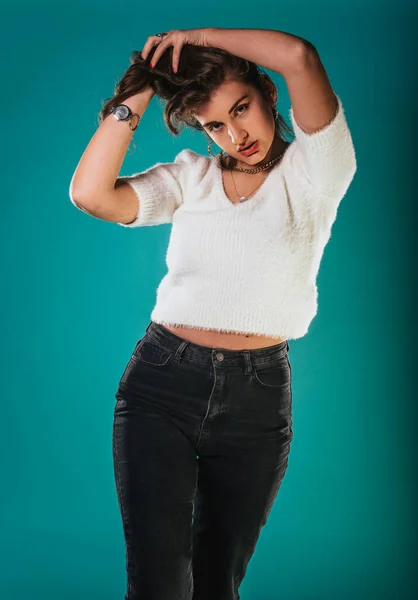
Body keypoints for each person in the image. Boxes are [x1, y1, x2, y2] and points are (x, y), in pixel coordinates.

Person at [69, 27, 357, 600]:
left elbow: (300, 57)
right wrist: (140, 87)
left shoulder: (316, 173)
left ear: (269, 95)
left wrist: (195, 37)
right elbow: (91, 194)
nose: (235, 134)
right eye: (215, 125)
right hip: (161, 385)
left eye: (241, 109)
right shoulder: (189, 179)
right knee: (158, 583)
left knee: (216, 582)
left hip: (257, 397)